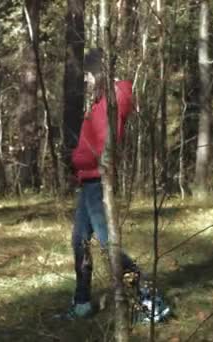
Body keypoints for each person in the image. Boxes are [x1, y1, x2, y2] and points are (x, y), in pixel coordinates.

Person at [63, 48, 140, 319]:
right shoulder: (99, 102)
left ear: (98, 72)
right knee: (79, 241)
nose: (85, 80)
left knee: (108, 242)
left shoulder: (111, 100)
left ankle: (146, 297)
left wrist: (76, 158)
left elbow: (103, 146)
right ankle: (82, 303)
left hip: (98, 181)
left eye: (88, 74)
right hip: (88, 181)